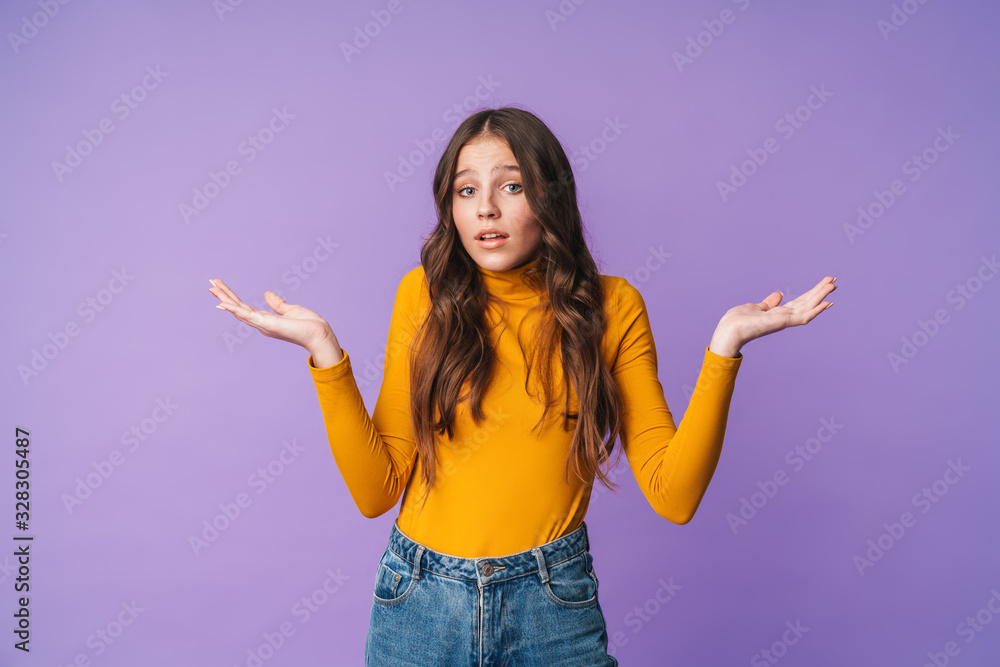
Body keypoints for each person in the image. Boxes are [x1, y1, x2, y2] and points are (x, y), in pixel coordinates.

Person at [208, 106, 837, 666]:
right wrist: (326, 354)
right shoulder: (423, 297)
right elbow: (377, 491)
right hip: (418, 602)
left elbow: (674, 496)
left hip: (551, 606)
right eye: (466, 190)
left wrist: (724, 347)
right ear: (449, 206)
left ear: (549, 196)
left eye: (511, 186)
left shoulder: (613, 307)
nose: (486, 208)